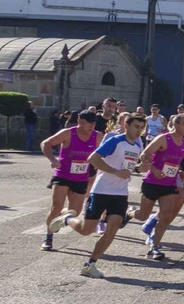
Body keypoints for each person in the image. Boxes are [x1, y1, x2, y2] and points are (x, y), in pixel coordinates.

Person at [50, 112, 148, 278]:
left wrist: (138, 169)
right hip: (101, 191)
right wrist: (116, 172)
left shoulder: (138, 144)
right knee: (86, 230)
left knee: (112, 230)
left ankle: (91, 264)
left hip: (120, 193)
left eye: (141, 127)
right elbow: (93, 158)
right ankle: (67, 219)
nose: (139, 130)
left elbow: (127, 167)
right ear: (126, 126)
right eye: (136, 126)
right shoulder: (115, 141)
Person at [40, 110, 100, 251]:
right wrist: (53, 159)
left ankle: (59, 218)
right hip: (62, 175)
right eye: (88, 123)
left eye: (94, 123)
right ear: (80, 121)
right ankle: (48, 238)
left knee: (75, 212)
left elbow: (106, 153)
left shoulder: (97, 137)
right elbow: (45, 144)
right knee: (56, 207)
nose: (92, 126)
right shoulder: (68, 133)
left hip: (81, 178)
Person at [134, 113, 184, 260]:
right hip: (152, 182)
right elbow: (144, 154)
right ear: (176, 124)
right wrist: (154, 170)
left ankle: (154, 247)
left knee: (165, 216)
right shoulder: (163, 138)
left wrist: (180, 171)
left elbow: (174, 162)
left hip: (169, 184)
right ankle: (130, 213)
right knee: (142, 216)